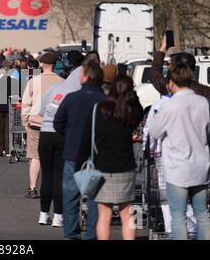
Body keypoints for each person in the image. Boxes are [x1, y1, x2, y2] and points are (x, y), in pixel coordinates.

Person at [76, 75, 144, 240]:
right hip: (126, 168)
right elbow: (140, 111)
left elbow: (85, 140)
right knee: (128, 214)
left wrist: (78, 164)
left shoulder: (98, 110)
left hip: (102, 168)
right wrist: (132, 97)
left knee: (104, 216)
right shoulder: (129, 112)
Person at [149, 64, 210, 240]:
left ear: (171, 82)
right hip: (200, 165)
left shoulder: (170, 105)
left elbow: (154, 132)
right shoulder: (204, 102)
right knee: (203, 213)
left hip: (177, 167)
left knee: (178, 215)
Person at [54, 60, 105, 240]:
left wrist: (69, 134)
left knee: (70, 197)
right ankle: (91, 234)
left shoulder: (72, 98)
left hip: (72, 153)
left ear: (84, 77)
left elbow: (57, 123)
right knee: (94, 198)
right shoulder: (105, 100)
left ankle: (71, 234)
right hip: (97, 155)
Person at [37, 55, 83, 226]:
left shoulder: (54, 88)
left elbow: (41, 110)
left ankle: (43, 214)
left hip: (45, 134)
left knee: (46, 175)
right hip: (63, 134)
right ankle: (58, 215)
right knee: (59, 176)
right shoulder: (75, 94)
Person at [22, 52, 64, 199]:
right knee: (55, 157)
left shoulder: (34, 81)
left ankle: (33, 188)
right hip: (55, 124)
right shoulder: (61, 81)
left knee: (35, 157)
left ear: (41, 64)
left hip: (36, 122)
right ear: (54, 65)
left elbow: (26, 103)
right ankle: (53, 187)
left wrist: (25, 121)